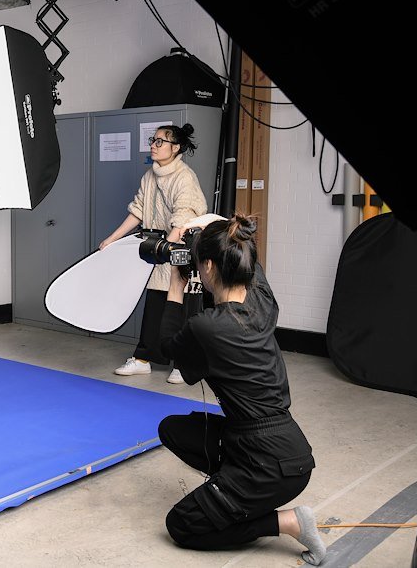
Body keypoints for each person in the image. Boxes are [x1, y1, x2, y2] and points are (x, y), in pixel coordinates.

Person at [156, 212, 326, 565]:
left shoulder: (208, 327)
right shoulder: (262, 302)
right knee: (173, 429)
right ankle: (232, 492)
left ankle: (289, 522)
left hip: (270, 465)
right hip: (279, 446)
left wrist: (175, 282)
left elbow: (166, 347)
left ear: (208, 266)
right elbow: (248, 255)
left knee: (182, 525)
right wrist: (207, 223)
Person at [99, 123, 207, 384]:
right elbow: (138, 210)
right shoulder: (150, 176)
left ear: (175, 147)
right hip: (159, 247)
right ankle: (143, 359)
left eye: (160, 141)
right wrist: (112, 239)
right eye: (153, 140)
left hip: (181, 249)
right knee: (155, 305)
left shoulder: (184, 177)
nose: (154, 146)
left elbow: (183, 218)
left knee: (183, 308)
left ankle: (184, 364)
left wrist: (165, 249)